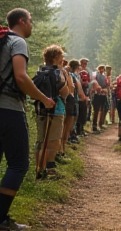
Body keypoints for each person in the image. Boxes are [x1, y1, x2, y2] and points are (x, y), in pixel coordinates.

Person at [0, 8, 55, 231]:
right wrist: (43, 98)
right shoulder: (17, 42)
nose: (32, 24)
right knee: (18, 164)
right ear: (21, 21)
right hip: (8, 109)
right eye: (31, 20)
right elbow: (20, 76)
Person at [34, 44, 69, 180]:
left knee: (41, 140)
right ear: (55, 57)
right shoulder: (56, 72)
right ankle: (50, 169)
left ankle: (38, 169)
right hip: (56, 109)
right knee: (54, 140)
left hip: (40, 109)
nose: (62, 58)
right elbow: (65, 92)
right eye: (61, 55)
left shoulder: (40, 70)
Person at [91, 64, 108, 133]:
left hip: (103, 94)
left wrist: (105, 90)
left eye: (103, 68)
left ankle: (100, 124)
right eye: (101, 68)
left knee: (102, 109)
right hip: (97, 94)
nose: (102, 70)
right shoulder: (95, 75)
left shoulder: (104, 76)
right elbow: (94, 83)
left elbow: (106, 85)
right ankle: (94, 125)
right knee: (96, 110)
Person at [76, 58, 90, 136]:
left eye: (86, 64)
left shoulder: (86, 72)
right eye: (84, 63)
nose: (85, 65)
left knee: (84, 113)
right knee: (81, 112)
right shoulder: (80, 72)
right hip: (80, 96)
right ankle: (79, 130)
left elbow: (88, 83)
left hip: (85, 93)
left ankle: (81, 129)